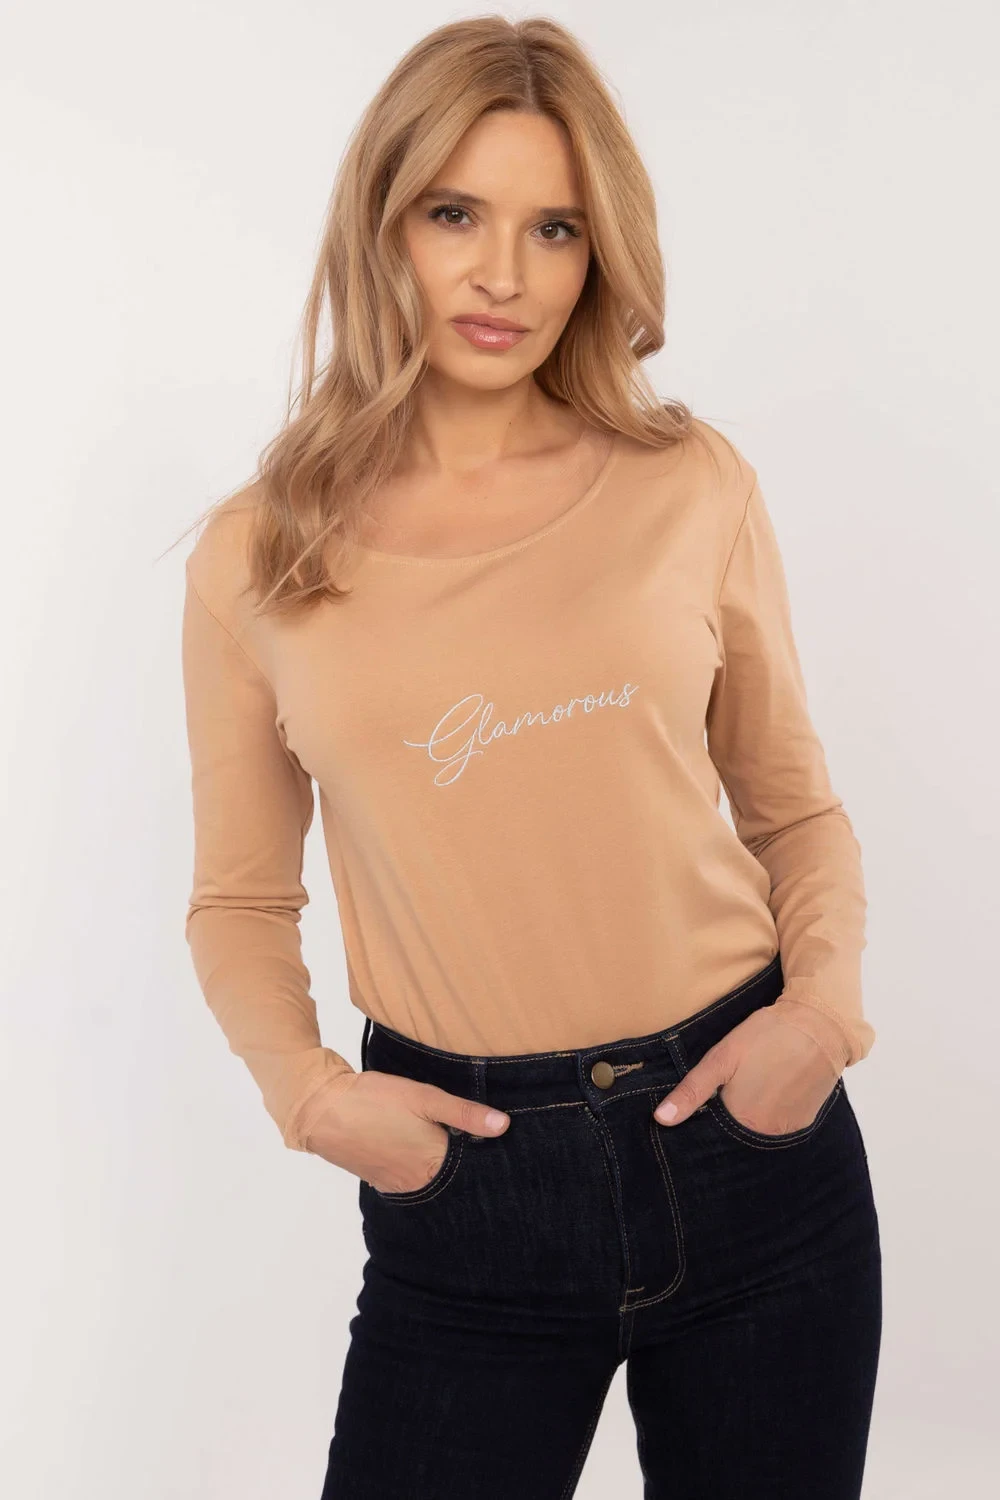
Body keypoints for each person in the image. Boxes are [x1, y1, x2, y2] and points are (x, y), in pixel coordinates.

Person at [179, 16, 881, 1499]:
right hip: (468, 1186)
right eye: (456, 214)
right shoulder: (261, 554)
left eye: (553, 228)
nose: (503, 274)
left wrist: (821, 1016)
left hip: (749, 1147)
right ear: (383, 225)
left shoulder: (688, 482)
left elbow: (795, 810)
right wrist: (313, 1099)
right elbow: (240, 899)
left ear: (597, 253)